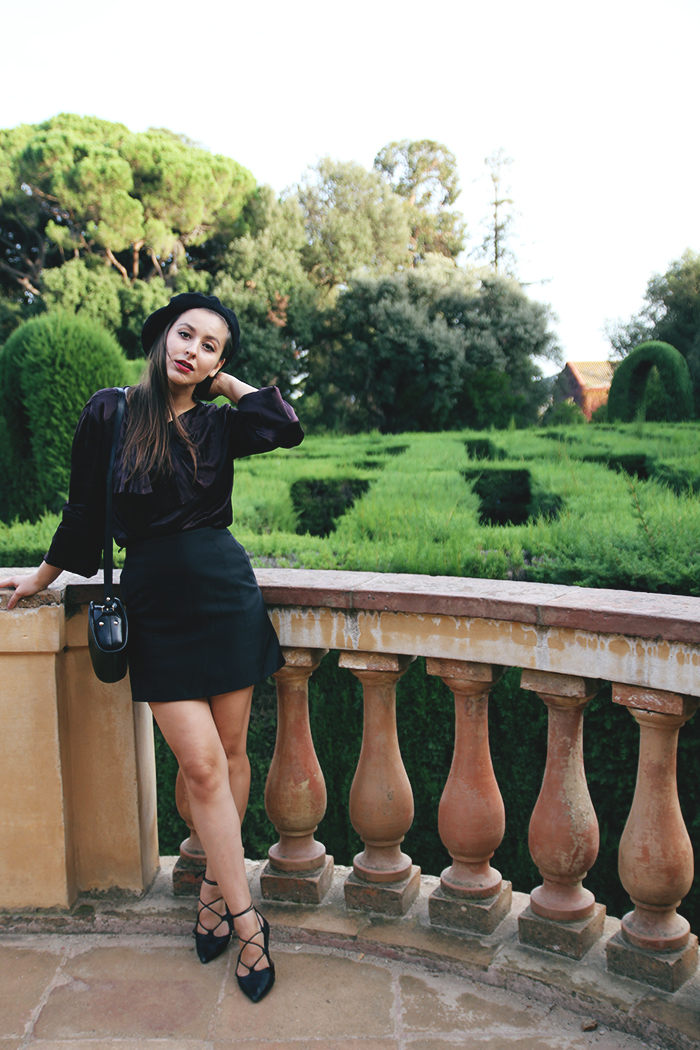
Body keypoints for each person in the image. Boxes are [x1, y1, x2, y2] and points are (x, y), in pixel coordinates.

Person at [0, 292, 304, 1003]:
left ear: (218, 364)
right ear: (163, 334)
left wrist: (226, 385)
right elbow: (83, 512)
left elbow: (284, 426)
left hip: (226, 595)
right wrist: (40, 578)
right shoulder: (110, 412)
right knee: (201, 765)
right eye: (185, 333)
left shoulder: (220, 423)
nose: (191, 349)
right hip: (156, 608)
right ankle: (248, 922)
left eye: (209, 346)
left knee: (231, 754)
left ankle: (213, 895)